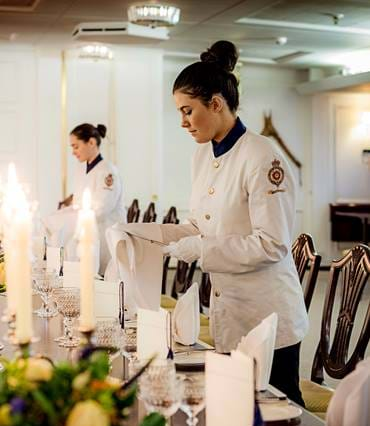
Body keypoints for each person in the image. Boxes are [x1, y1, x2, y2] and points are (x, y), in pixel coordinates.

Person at [161, 41, 309, 405]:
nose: (182, 122)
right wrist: (161, 236)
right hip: (229, 307)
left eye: (187, 111)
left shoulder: (262, 156)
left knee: (278, 410)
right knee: (237, 406)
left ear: (216, 103)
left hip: (268, 312)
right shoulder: (202, 155)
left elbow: (272, 243)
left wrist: (202, 249)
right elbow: (203, 222)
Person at [43, 123, 126, 274]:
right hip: (86, 233)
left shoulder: (107, 171)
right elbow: (79, 201)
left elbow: (101, 209)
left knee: (97, 281)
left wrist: (69, 219)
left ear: (92, 142)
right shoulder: (83, 169)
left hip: (104, 235)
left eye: (76, 146)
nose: (73, 152)